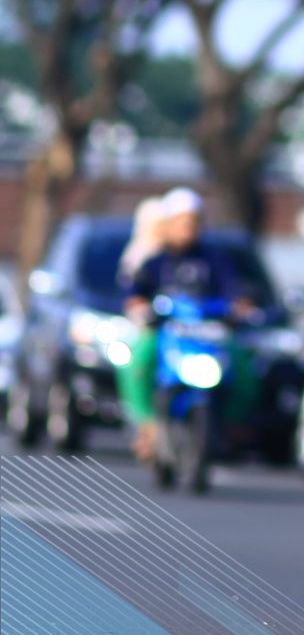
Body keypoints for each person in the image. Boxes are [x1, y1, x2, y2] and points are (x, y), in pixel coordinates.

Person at [123, 187, 258, 457]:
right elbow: (135, 293)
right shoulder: (156, 262)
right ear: (169, 225)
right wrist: (139, 306)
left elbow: (234, 289)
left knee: (242, 366)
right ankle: (147, 426)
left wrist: (241, 305)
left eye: (193, 222)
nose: (187, 228)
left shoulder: (215, 260)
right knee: (138, 359)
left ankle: (233, 423)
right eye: (181, 222)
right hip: (167, 332)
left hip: (207, 334)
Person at [115, 197, 168, 460]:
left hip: (183, 329)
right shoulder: (139, 256)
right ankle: (144, 424)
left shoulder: (184, 256)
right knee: (134, 363)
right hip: (147, 328)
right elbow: (131, 296)